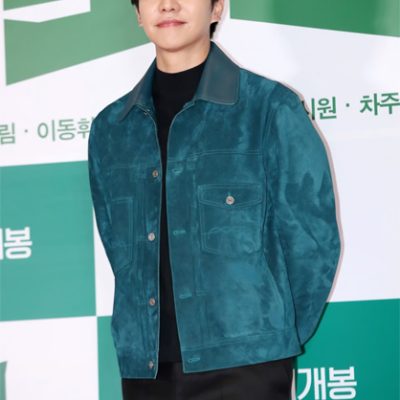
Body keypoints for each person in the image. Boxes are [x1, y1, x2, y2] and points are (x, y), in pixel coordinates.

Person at [87, 0, 341, 399]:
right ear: (137, 13)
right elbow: (118, 248)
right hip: (146, 368)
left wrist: (267, 340)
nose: (168, 5)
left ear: (217, 8)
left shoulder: (268, 108)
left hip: (246, 367)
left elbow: (313, 243)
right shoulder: (112, 127)